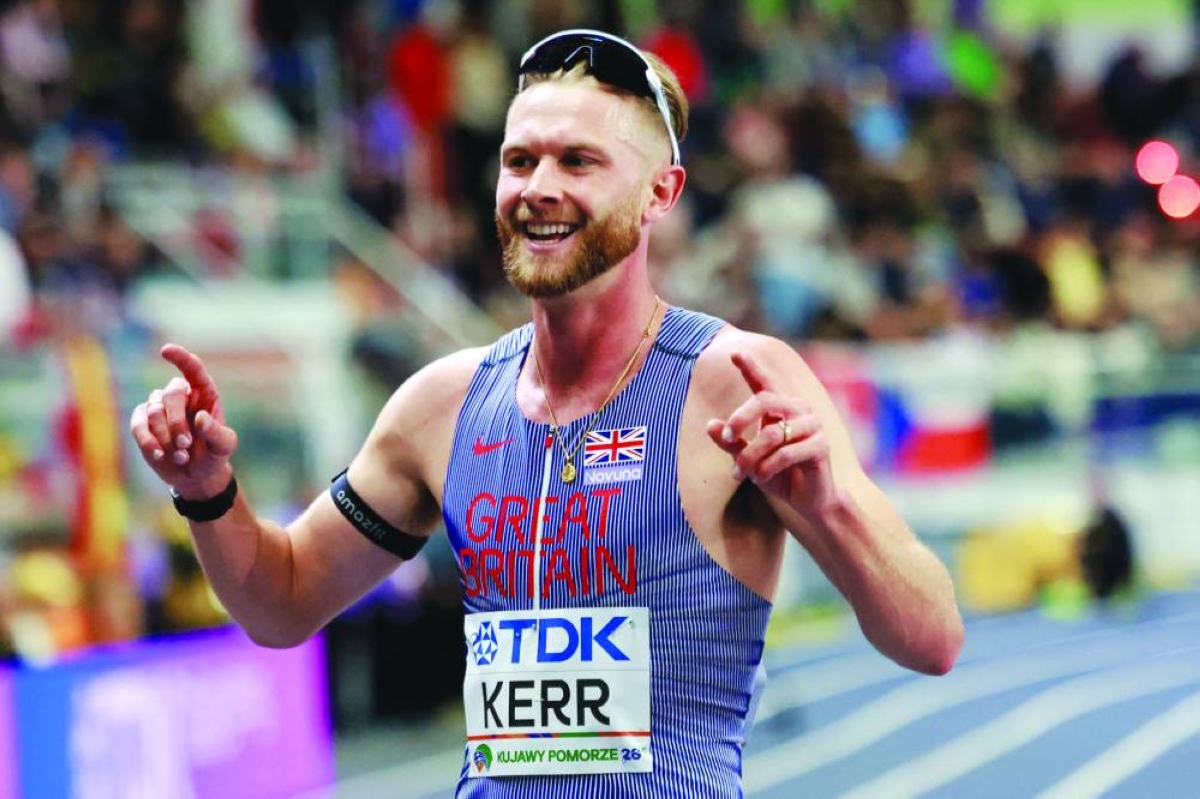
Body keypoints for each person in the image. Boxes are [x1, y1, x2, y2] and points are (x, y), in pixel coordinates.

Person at [129, 29, 963, 798]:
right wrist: (208, 490)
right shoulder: (442, 405)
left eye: (579, 161)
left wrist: (829, 508)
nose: (540, 189)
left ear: (659, 194)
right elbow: (280, 602)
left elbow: (932, 639)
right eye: (519, 160)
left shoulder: (735, 379)